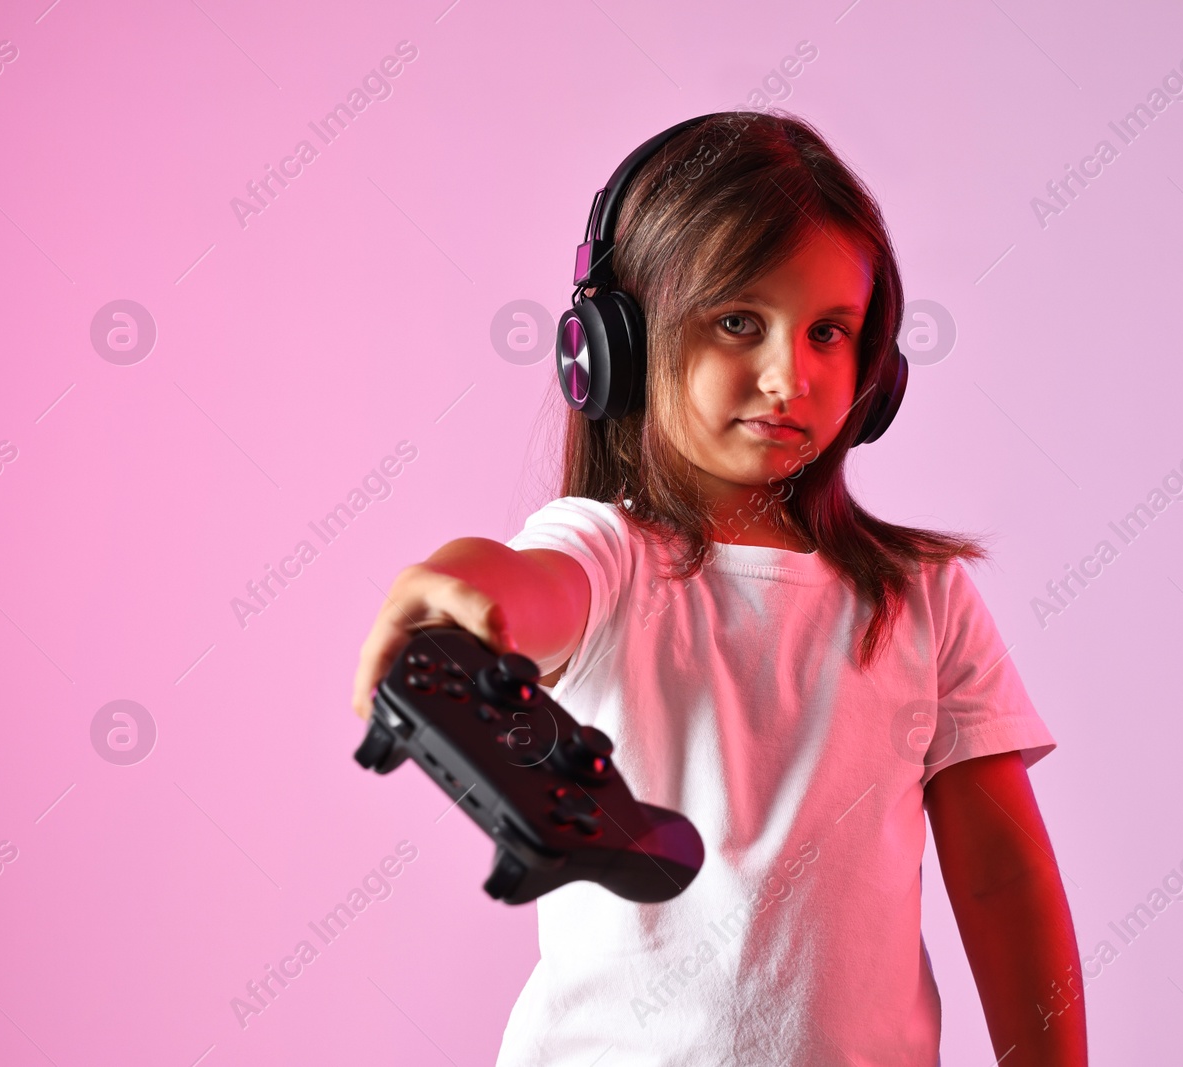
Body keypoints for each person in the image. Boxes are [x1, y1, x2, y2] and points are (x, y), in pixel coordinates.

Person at [352, 110, 1086, 1066]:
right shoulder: (613, 555)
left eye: (830, 332)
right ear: (613, 344)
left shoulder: (924, 598)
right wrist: (461, 577)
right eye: (741, 321)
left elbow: (1002, 881)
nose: (792, 374)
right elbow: (532, 585)